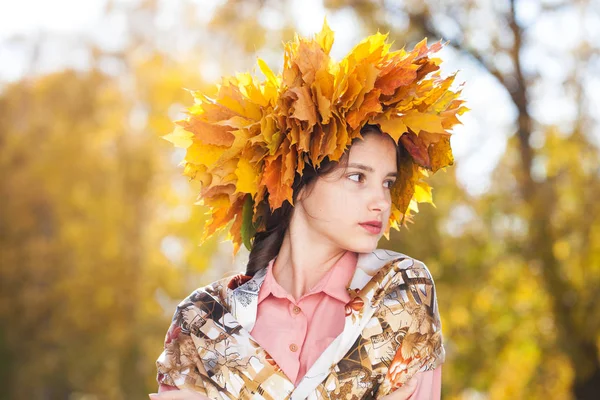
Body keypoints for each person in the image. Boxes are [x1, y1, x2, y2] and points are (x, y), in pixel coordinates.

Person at [150, 20, 467, 400]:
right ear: (297, 185)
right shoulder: (203, 321)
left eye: (386, 182)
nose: (381, 201)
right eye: (357, 178)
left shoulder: (401, 292)